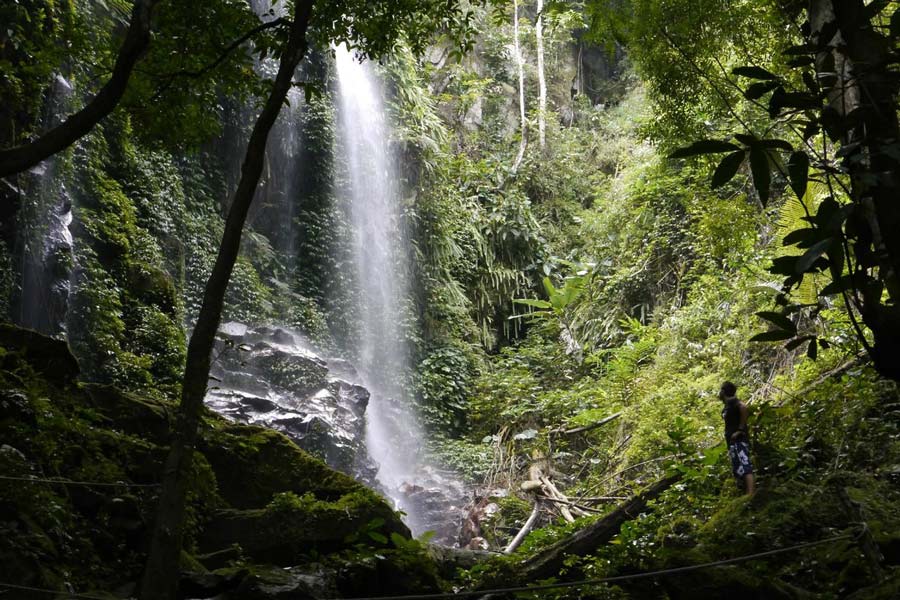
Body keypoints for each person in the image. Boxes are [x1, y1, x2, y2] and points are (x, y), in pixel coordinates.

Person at [719, 381, 755, 495]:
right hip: (731, 441)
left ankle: (750, 493)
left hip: (739, 439)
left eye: (721, 390)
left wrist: (740, 429)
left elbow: (744, 407)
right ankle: (745, 493)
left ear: (724, 391)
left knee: (745, 464)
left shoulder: (735, 402)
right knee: (737, 467)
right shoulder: (728, 404)